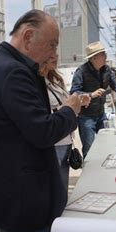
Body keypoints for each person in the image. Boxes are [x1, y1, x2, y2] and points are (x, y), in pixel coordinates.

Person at [0, 9, 82, 232]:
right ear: (28, 36)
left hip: (6, 199)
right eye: (52, 44)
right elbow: (42, 131)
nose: (53, 53)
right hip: (24, 201)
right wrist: (69, 111)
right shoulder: (13, 72)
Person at [70, 41, 116, 158]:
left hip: (101, 114)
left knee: (107, 144)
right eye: (103, 54)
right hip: (86, 117)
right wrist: (91, 94)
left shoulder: (107, 69)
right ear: (93, 58)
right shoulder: (81, 72)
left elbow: (113, 83)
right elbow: (74, 92)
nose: (106, 56)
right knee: (89, 148)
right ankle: (89, 174)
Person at [40, 59, 90, 193]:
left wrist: (79, 103)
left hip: (66, 140)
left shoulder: (56, 81)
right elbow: (43, 117)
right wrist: (68, 108)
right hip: (55, 143)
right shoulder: (37, 84)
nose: (55, 57)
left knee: (62, 188)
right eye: (50, 54)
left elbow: (68, 108)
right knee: (55, 188)